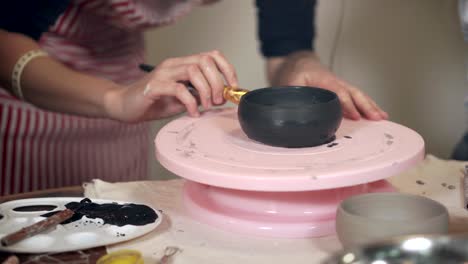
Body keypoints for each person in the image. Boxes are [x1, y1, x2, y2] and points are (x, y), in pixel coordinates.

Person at [0, 0, 386, 195]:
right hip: (33, 88)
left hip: (128, 79)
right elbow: (5, 36)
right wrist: (114, 100)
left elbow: (288, 49)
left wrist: (304, 67)